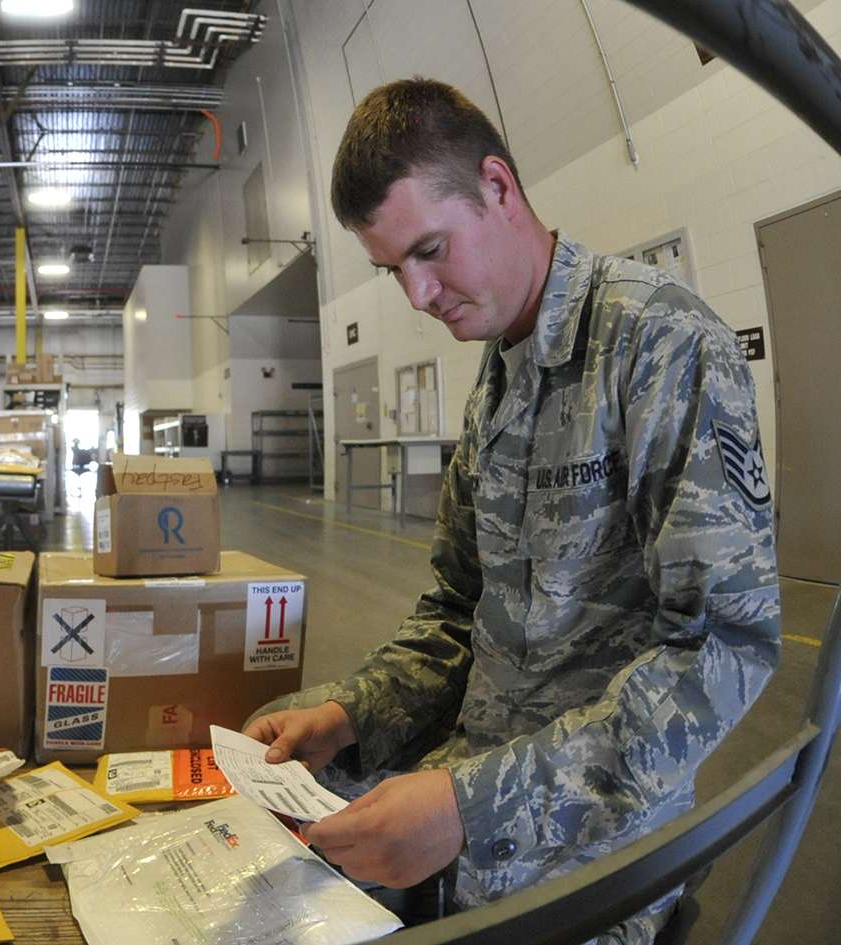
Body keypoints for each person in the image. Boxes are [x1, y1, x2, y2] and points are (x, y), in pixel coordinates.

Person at [243, 78, 779, 943]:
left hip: (590, 845)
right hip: (463, 783)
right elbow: (460, 611)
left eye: (429, 251)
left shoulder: (662, 345)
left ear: (497, 186)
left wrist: (469, 807)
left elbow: (725, 650)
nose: (417, 296)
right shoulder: (498, 380)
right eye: (393, 271)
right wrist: (353, 711)